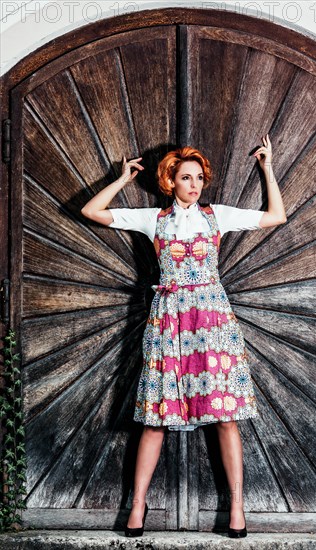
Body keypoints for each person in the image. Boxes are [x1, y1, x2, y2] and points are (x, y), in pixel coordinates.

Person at [80, 134, 286, 538]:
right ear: (170, 182)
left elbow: (276, 216)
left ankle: (237, 510)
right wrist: (123, 180)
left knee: (226, 418)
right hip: (169, 322)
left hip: (212, 322)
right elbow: (92, 210)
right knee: (156, 418)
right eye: (186, 178)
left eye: (198, 178)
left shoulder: (217, 216)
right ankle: (137, 508)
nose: (194, 184)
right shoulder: (153, 220)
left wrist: (267, 168)